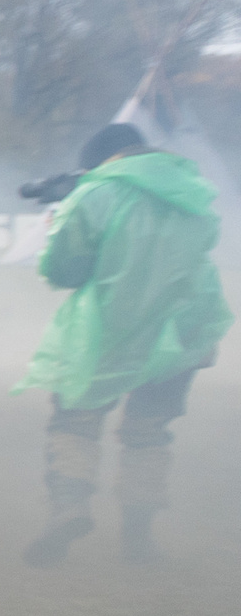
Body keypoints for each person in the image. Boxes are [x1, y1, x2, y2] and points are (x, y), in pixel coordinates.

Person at [17, 121, 231, 566]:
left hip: (109, 330)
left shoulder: (96, 193)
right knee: (149, 431)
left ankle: (69, 508)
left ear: (99, 162)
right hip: (185, 328)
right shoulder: (193, 187)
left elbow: (64, 270)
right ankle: (139, 533)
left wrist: (60, 218)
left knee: (75, 421)